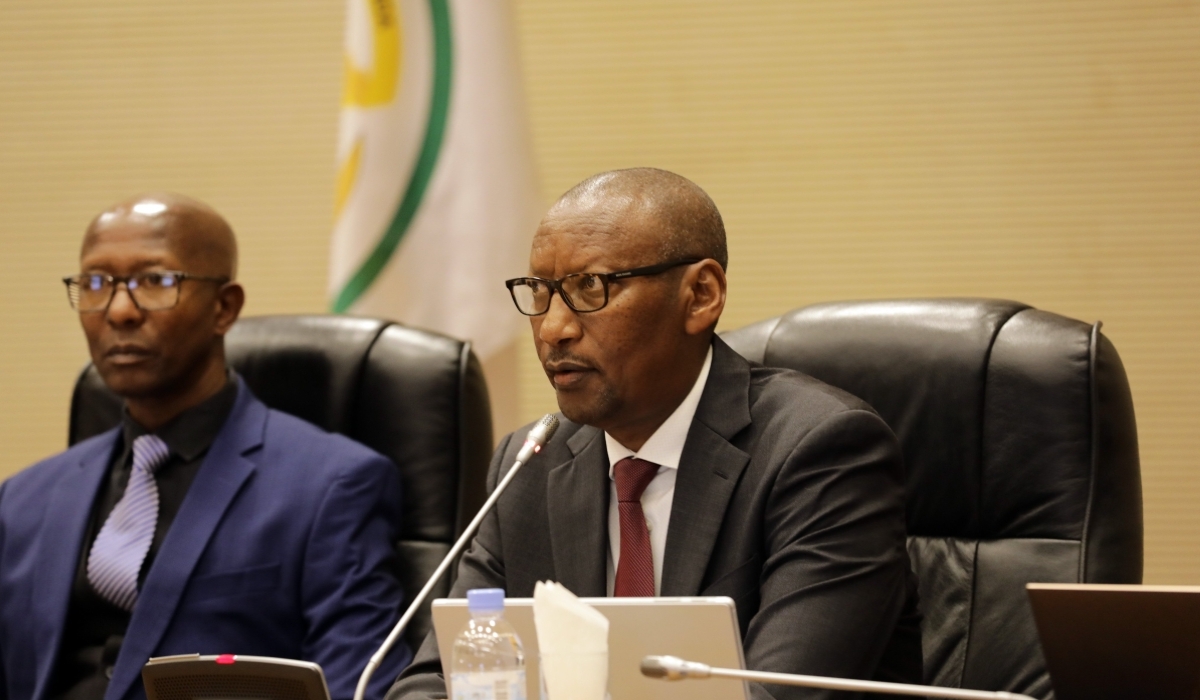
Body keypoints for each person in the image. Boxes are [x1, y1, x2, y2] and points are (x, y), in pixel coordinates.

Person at [389, 168, 922, 700]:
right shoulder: (531, 464)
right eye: (539, 292)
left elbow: (773, 695)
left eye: (589, 287)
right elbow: (435, 681)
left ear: (700, 296)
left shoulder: (822, 453)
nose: (553, 328)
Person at [0, 194, 411, 700]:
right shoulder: (22, 499)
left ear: (224, 307)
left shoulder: (331, 485)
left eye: (155, 281)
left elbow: (361, 687)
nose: (120, 310)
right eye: (96, 283)